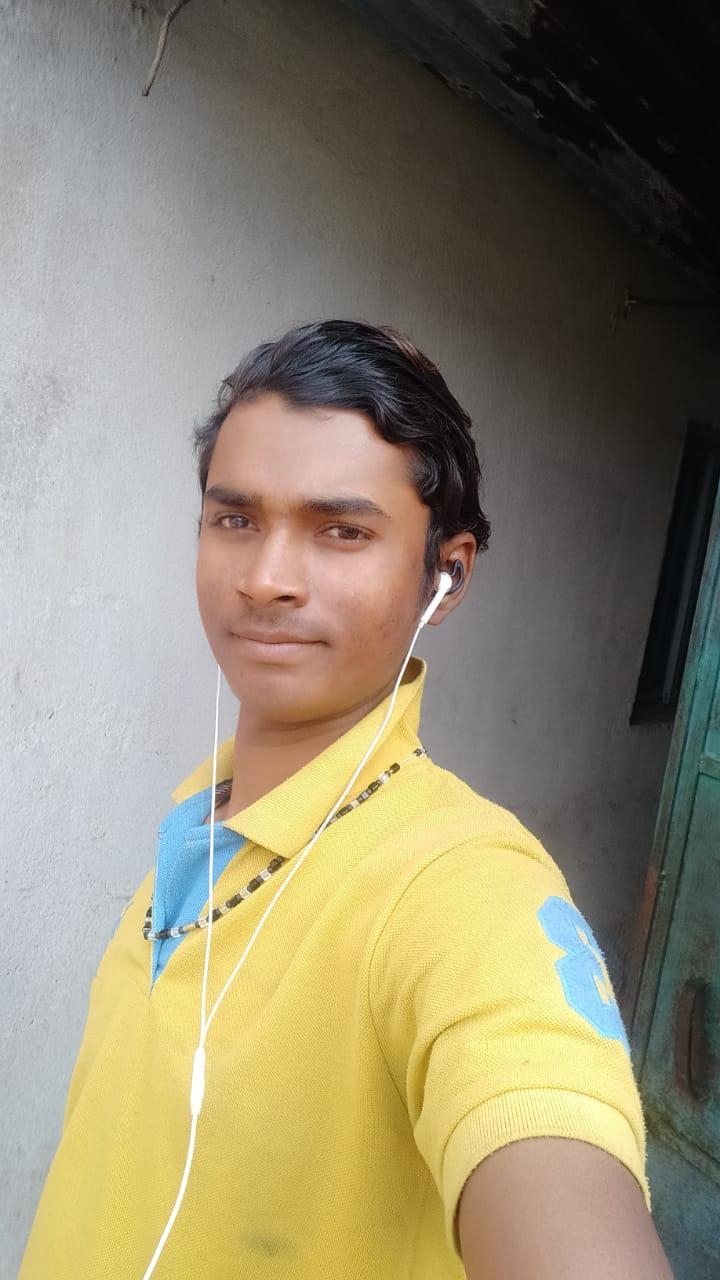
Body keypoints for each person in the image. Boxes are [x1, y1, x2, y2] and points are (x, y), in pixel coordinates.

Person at [21, 320, 673, 1279]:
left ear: (446, 575)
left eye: (342, 531)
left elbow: (539, 1122)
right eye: (235, 519)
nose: (266, 580)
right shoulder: (204, 815)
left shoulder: (460, 885)